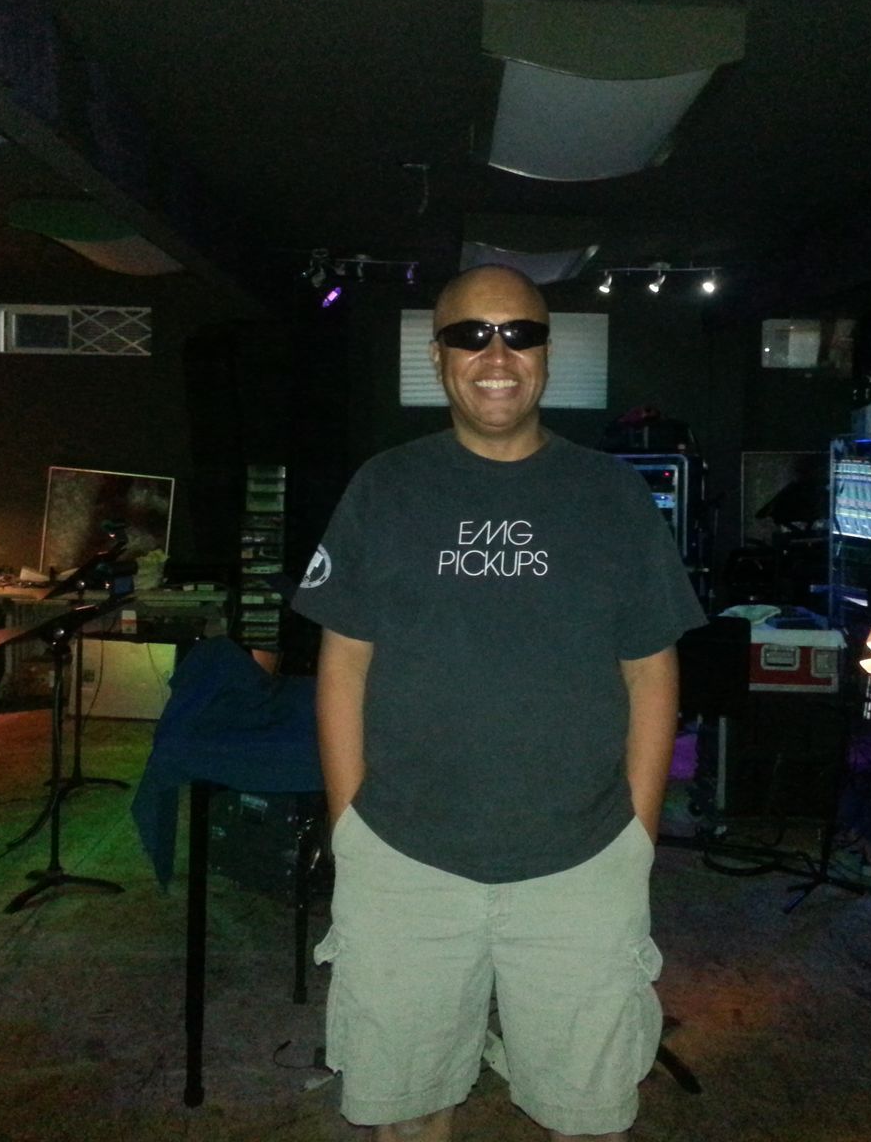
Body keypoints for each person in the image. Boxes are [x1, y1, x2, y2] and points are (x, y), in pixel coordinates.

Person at [292, 264, 705, 1141]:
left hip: (583, 862)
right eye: (469, 335)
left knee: (587, 1116)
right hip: (404, 860)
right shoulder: (385, 487)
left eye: (520, 333)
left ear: (547, 353)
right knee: (407, 1111)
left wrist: (637, 834)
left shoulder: (612, 495)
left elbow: (651, 672)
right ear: (438, 357)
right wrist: (350, 827)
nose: (497, 355)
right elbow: (344, 666)